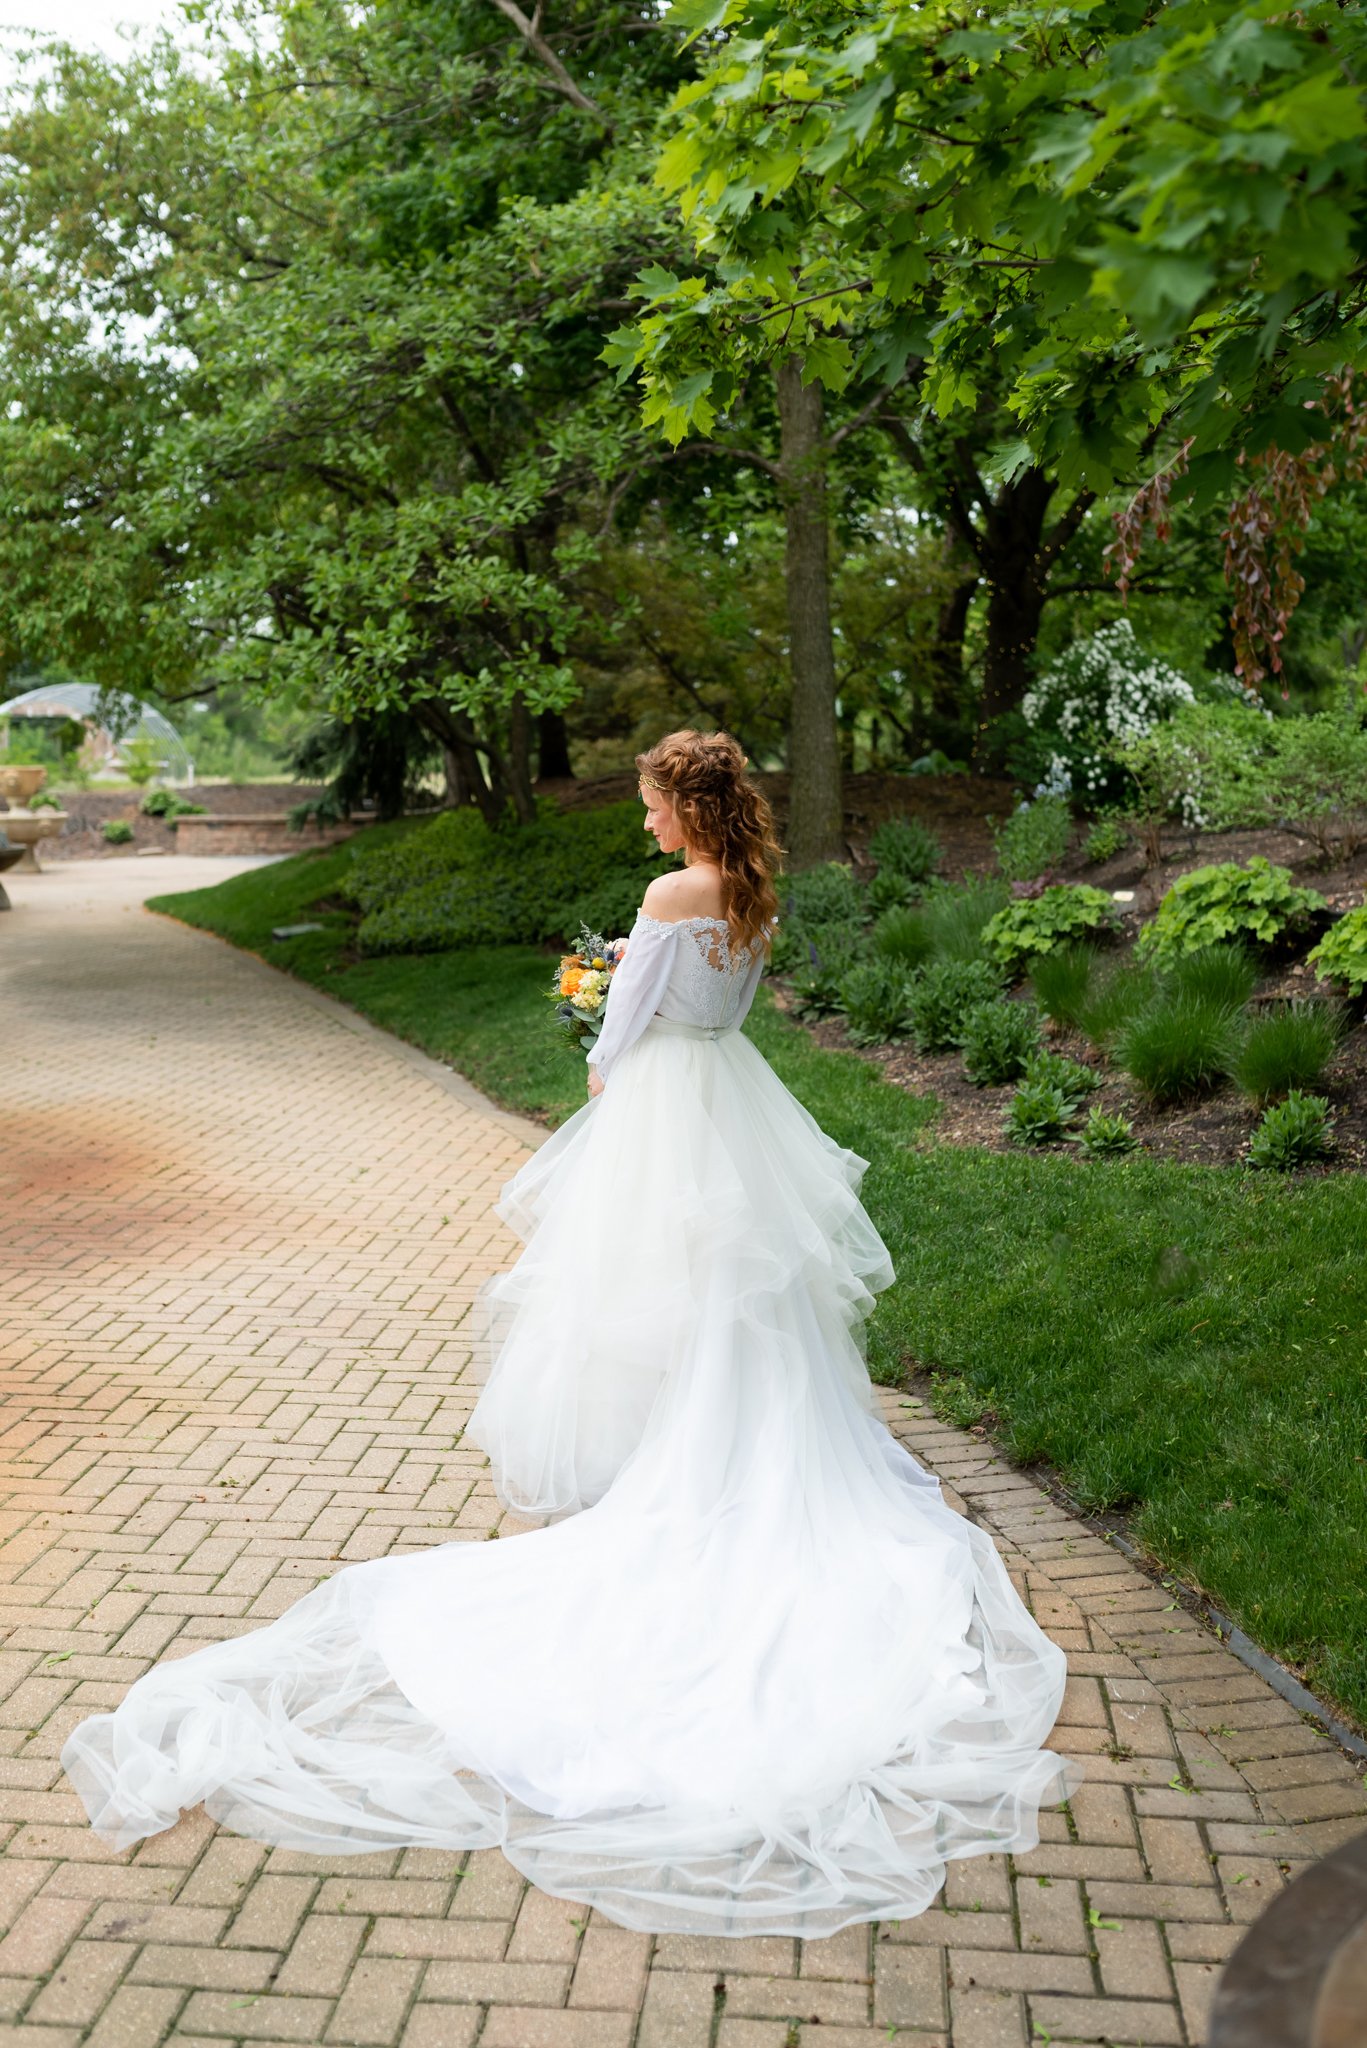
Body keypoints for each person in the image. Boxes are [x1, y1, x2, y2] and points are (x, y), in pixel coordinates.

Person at [60, 728, 1078, 1939]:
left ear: (680, 806)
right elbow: (726, 1001)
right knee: (743, 1303)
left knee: (646, 1292)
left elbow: (633, 1010)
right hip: (734, 1095)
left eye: (649, 803)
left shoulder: (666, 891)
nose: (641, 821)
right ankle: (739, 1452)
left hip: (660, 1107)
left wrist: (593, 1056)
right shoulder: (752, 887)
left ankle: (673, 1472)